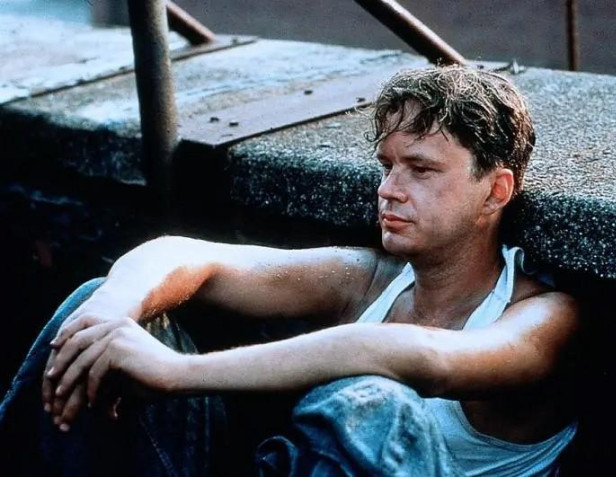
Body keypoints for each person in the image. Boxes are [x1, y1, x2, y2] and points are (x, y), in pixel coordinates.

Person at [0, 65, 579, 476]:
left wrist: (176, 372)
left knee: (376, 404)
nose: (388, 190)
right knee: (100, 307)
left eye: (420, 170)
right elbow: (184, 254)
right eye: (387, 166)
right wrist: (109, 312)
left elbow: (427, 360)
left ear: (495, 191)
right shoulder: (372, 279)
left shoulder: (543, 316)